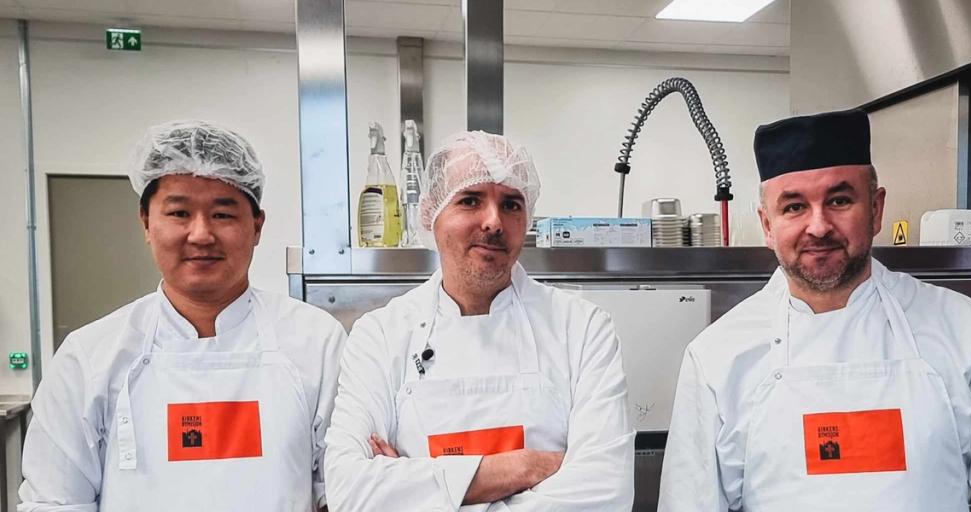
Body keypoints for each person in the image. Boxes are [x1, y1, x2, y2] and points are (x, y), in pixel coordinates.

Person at [658, 109, 971, 511]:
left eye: (839, 200)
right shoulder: (717, 356)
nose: (819, 226)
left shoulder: (963, 328)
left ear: (876, 208)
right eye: (794, 207)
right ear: (767, 224)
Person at [19, 121, 346, 511]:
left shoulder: (316, 342)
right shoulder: (90, 356)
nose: (201, 234)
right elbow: (54, 501)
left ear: (257, 226)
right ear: (146, 223)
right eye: (179, 213)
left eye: (223, 215)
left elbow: (342, 488)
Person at [323, 131, 635, 510]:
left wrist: (417, 486)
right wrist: (525, 467)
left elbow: (604, 493)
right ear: (430, 214)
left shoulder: (583, 329)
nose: (494, 221)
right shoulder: (381, 335)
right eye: (470, 200)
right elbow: (350, 493)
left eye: (512, 204)